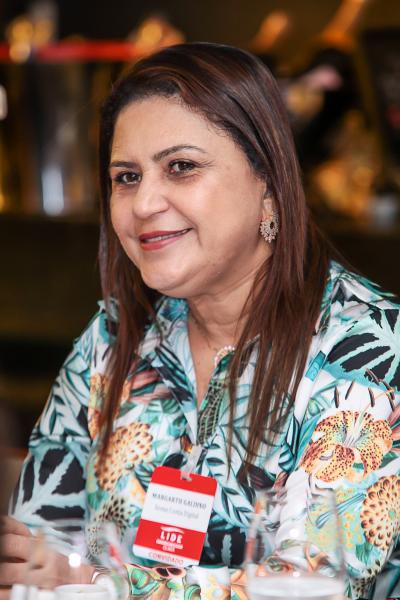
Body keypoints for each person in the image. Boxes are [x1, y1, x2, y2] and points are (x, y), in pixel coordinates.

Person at [1, 42, 399, 600]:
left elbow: (313, 586)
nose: (144, 203)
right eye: (126, 177)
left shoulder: (364, 348)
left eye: (181, 167)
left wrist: (95, 585)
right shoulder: (116, 336)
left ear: (268, 184)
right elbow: (35, 554)